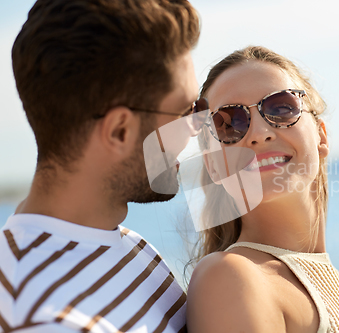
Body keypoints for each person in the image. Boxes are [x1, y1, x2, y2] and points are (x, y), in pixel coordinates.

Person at [0, 0, 201, 332]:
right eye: (185, 111)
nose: (197, 125)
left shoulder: (125, 244)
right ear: (120, 131)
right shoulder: (45, 322)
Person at [186, 46, 339, 333]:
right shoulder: (231, 277)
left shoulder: (330, 283)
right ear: (213, 165)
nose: (260, 133)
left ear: (321, 136)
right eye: (228, 123)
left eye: (280, 107)